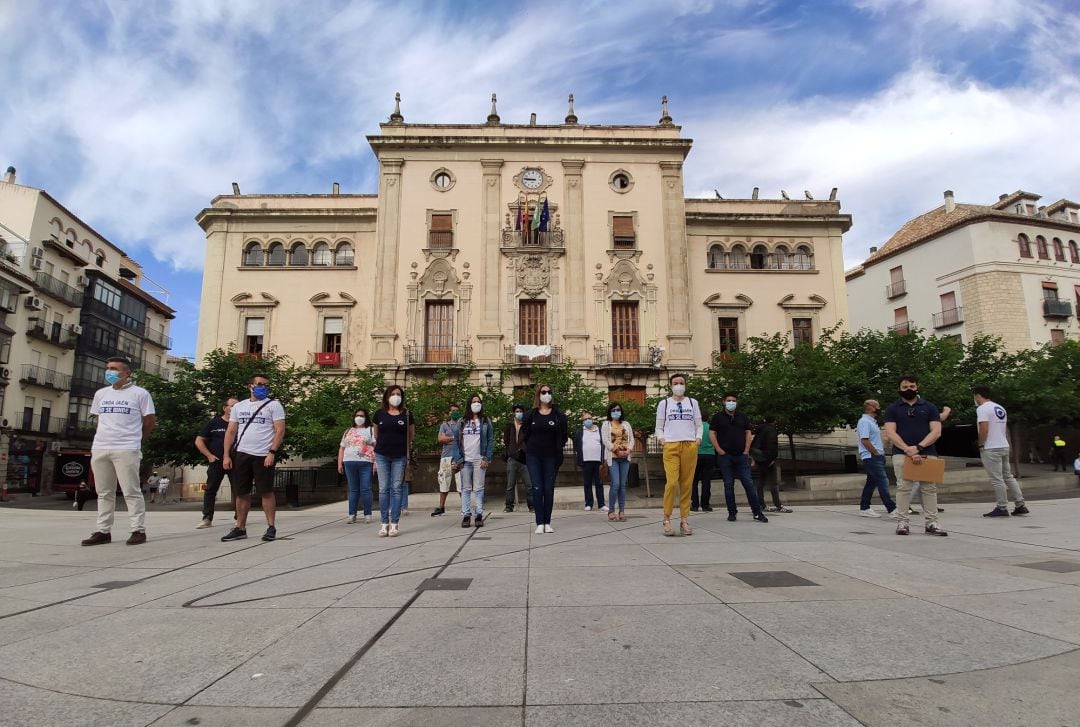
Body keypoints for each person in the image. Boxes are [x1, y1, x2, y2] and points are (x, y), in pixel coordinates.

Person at [81, 357, 156, 546]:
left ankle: (138, 529)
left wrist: (139, 439)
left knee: (131, 490)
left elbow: (149, 420)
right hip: (101, 446)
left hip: (127, 447)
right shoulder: (101, 394)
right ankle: (103, 530)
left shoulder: (140, 394)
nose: (109, 372)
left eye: (114, 369)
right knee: (103, 492)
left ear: (127, 373)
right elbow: (100, 418)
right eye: (108, 368)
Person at [221, 373, 286, 543]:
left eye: (266, 385)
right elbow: (231, 431)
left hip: (263, 454)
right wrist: (226, 455)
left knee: (266, 491)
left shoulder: (274, 405)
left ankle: (271, 526)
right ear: (250, 386)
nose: (263, 387)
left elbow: (279, 430)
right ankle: (240, 527)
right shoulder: (239, 407)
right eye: (259, 384)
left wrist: (272, 452)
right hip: (242, 453)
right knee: (241, 492)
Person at [883, 375, 947, 536]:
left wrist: (918, 447)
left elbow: (936, 431)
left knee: (929, 488)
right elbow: (890, 432)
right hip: (901, 453)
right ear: (899, 389)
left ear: (917, 387)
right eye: (905, 387)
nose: (908, 389)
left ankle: (932, 522)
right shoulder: (892, 409)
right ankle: (902, 522)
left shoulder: (929, 407)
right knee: (903, 487)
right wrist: (907, 449)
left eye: (912, 386)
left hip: (927, 452)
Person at [656, 374, 703, 536]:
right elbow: (659, 426)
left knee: (687, 484)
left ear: (685, 385)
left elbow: (699, 424)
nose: (678, 385)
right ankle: (667, 519)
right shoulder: (664, 403)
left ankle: (684, 519)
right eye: (675, 383)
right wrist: (663, 440)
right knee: (672, 482)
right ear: (670, 386)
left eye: (681, 383)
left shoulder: (692, 402)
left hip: (689, 445)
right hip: (671, 445)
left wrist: (698, 439)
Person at [710, 392, 768, 524]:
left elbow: (748, 432)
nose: (731, 402)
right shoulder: (718, 417)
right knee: (728, 484)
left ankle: (757, 512)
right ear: (724, 402)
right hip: (725, 456)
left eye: (734, 400)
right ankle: (732, 512)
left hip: (741, 456)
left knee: (748, 483)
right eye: (729, 400)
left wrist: (747, 450)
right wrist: (718, 449)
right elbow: (712, 433)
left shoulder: (742, 417)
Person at [521, 383, 569, 534]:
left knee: (548, 489)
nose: (547, 394)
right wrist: (529, 448)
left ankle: (547, 522)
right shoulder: (530, 415)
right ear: (538, 394)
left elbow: (564, 435)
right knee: (537, 487)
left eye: (549, 391)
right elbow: (524, 433)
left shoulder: (558, 415)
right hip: (533, 456)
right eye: (544, 392)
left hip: (551, 457)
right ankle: (539, 522)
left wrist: (556, 448)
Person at [975, 386, 1029, 517]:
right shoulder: (1000, 407)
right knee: (1008, 476)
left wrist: (981, 444)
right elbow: (1003, 428)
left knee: (997, 479)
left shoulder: (982, 409)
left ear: (978, 395)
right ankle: (1020, 504)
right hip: (1003, 445)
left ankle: (1002, 507)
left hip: (991, 447)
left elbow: (984, 428)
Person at [372, 384, 413, 537]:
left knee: (396, 488)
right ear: (387, 396)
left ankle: (394, 523)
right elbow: (376, 434)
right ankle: (384, 524)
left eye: (398, 394)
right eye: (393, 393)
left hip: (399, 455)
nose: (396, 396)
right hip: (382, 454)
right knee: (383, 489)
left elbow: (411, 435)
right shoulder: (379, 414)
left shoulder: (407, 414)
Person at [194, 398, 239, 529]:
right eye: (233, 406)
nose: (236, 408)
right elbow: (199, 440)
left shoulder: (239, 423)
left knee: (239, 489)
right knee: (210, 489)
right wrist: (209, 456)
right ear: (225, 408)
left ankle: (239, 518)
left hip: (235, 461)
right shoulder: (214, 423)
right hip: (217, 461)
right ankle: (207, 518)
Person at [453, 393, 494, 528]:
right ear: (469, 404)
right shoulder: (462, 421)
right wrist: (458, 459)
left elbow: (490, 440)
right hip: (465, 460)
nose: (476, 403)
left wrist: (486, 458)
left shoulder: (485, 421)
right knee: (465, 488)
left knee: (479, 489)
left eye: (478, 401)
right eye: (474, 401)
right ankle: (466, 515)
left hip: (479, 459)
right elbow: (456, 442)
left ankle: (479, 515)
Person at [856, 399, 896, 517]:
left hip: (876, 456)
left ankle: (864, 508)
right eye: (877, 406)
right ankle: (892, 509)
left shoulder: (872, 422)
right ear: (871, 407)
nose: (879, 408)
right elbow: (864, 440)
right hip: (871, 456)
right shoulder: (864, 422)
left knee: (871, 483)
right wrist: (876, 453)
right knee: (883, 481)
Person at [338, 407, 376, 523]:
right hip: (349, 462)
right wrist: (339, 463)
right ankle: (352, 514)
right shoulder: (348, 430)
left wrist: (376, 462)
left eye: (362, 416)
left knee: (366, 489)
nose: (359, 418)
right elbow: (342, 447)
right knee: (353, 489)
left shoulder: (371, 430)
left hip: (366, 462)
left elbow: (376, 447)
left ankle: (367, 514)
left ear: (366, 418)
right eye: (357, 415)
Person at [601, 401, 634, 522]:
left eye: (618, 410)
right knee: (615, 484)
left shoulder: (626, 424)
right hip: (613, 458)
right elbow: (605, 440)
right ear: (610, 412)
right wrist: (616, 451)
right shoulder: (606, 424)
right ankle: (611, 510)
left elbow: (632, 439)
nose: (616, 412)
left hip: (625, 458)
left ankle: (622, 511)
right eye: (613, 410)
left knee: (623, 485)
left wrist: (628, 450)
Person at [752, 416, 790, 513]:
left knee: (761, 482)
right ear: (774, 421)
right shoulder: (771, 430)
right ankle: (778, 505)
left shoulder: (759, 430)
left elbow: (754, 444)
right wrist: (771, 459)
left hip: (760, 459)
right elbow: (772, 445)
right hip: (768, 459)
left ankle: (761, 505)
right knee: (773, 482)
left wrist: (755, 459)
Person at [573, 411, 607, 511]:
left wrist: (604, 459)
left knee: (599, 483)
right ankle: (588, 504)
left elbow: (604, 445)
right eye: (585, 419)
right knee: (587, 483)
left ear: (592, 419)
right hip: (586, 461)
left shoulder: (600, 431)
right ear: (582, 421)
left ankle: (601, 504)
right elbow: (577, 446)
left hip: (598, 461)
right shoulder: (579, 433)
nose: (588, 420)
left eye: (589, 418)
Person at [503, 403, 533, 513]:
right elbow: (506, 441)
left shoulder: (527, 425)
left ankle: (532, 506)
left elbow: (529, 440)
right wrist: (509, 452)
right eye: (517, 411)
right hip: (512, 458)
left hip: (524, 459)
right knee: (510, 485)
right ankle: (509, 506)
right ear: (514, 413)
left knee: (529, 484)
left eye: (521, 411)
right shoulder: (509, 425)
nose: (519, 413)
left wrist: (525, 450)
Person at [432, 404, 461, 516]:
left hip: (459, 457)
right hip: (446, 457)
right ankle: (441, 507)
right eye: (453, 410)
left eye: (457, 411)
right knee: (444, 481)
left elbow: (462, 440)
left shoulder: (461, 425)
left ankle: (465, 506)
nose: (455, 412)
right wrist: (453, 438)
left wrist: (448, 439)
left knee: (461, 483)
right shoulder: (444, 425)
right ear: (449, 412)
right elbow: (440, 439)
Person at [691, 417, 714, 512]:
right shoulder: (711, 427)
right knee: (706, 481)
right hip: (709, 454)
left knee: (694, 481)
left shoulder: (695, 428)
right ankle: (705, 505)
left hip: (696, 454)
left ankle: (695, 505)